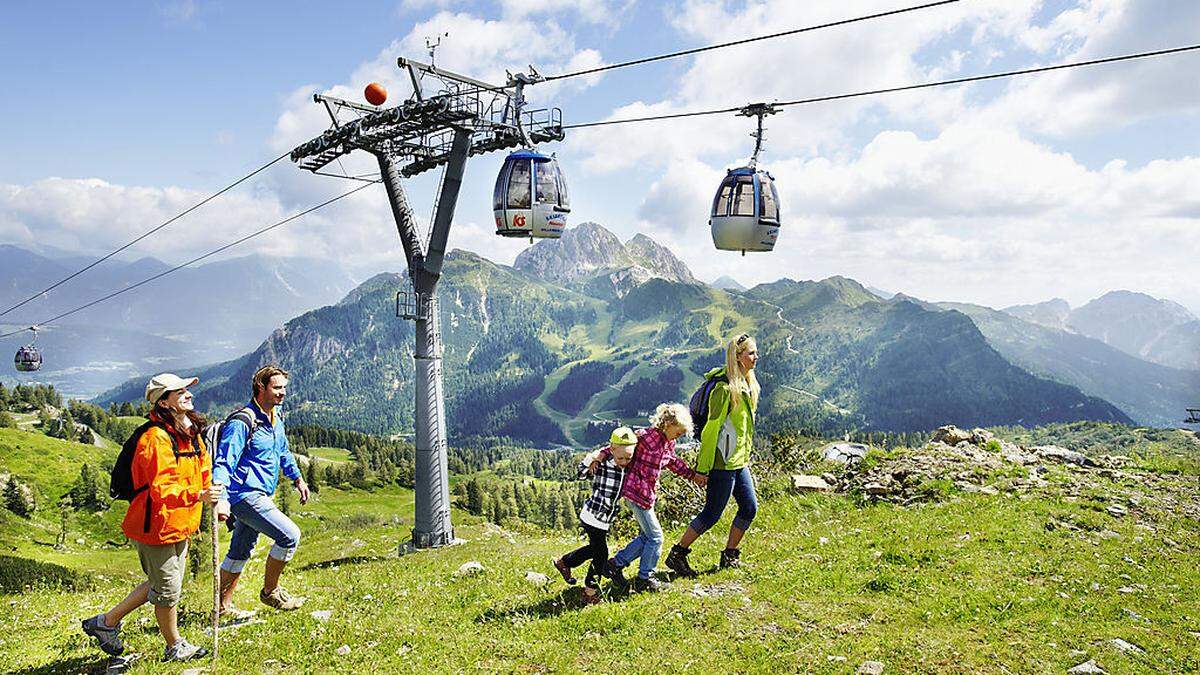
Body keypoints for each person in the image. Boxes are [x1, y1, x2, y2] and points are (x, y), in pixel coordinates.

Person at [82, 374, 219, 662]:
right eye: (178, 391)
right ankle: (175, 646)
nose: (187, 394)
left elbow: (203, 467)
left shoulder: (191, 431)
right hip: (155, 525)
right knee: (168, 589)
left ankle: (105, 623)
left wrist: (210, 490)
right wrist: (198, 495)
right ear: (164, 402)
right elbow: (161, 488)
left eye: (185, 389)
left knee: (163, 584)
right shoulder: (155, 438)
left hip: (181, 522)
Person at [212, 365, 309, 616]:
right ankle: (270, 593)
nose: (282, 393)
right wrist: (221, 497)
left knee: (240, 550)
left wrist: (297, 478)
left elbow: (283, 451)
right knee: (289, 536)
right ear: (260, 388)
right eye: (277, 388)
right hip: (245, 495)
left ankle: (222, 607)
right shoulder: (243, 422)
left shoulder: (276, 418)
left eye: (284, 388)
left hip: (260, 493)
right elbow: (224, 461)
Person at [666, 333, 761, 577]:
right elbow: (710, 432)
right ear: (738, 357)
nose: (756, 357)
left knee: (749, 508)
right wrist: (702, 469)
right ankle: (677, 554)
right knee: (712, 514)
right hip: (722, 462)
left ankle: (730, 554)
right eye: (751, 353)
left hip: (739, 460)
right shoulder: (724, 389)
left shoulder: (747, 384)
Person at [593, 403, 706, 592]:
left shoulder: (669, 443)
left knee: (647, 537)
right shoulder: (645, 437)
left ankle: (614, 565)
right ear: (666, 424)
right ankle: (645, 578)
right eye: (677, 432)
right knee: (656, 537)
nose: (678, 436)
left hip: (647, 495)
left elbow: (673, 462)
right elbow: (617, 446)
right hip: (635, 492)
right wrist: (598, 457)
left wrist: (693, 475)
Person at [552, 428, 637, 604]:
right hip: (592, 515)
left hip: (604, 519)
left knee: (594, 549)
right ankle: (589, 592)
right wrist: (595, 457)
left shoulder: (628, 466)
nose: (624, 462)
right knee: (601, 554)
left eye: (628, 458)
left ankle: (564, 562)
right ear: (612, 450)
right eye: (620, 458)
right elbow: (581, 472)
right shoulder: (603, 464)